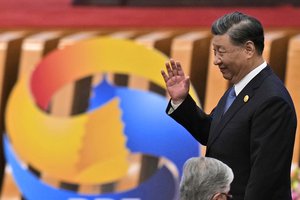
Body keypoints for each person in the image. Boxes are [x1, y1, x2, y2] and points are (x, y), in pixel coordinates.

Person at [161, 11, 297, 200]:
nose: (216, 60)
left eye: (221, 52)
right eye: (214, 52)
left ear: (248, 49)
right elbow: (217, 134)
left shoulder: (272, 101)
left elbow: (265, 183)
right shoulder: (241, 87)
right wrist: (182, 101)